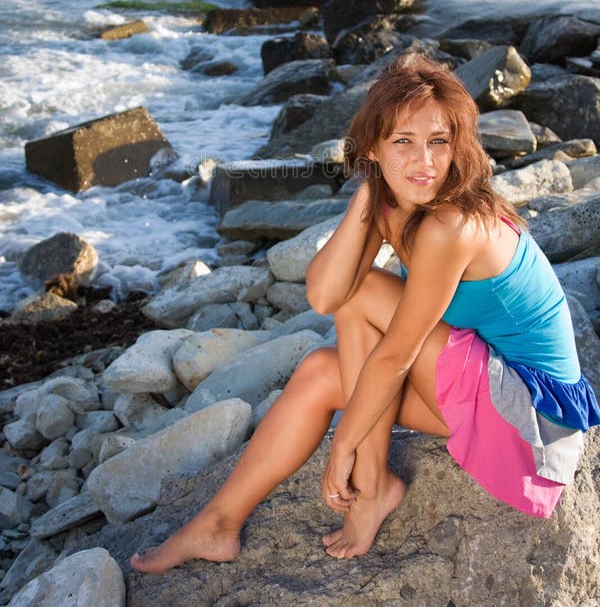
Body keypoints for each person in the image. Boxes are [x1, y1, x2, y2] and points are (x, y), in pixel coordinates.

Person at [131, 54, 600, 572]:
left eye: (438, 142)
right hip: (481, 387)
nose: (424, 160)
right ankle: (218, 522)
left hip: (530, 419)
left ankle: (372, 486)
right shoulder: (398, 202)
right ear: (374, 148)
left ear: (456, 146)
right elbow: (323, 295)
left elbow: (394, 350)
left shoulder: (453, 224)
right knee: (317, 372)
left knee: (363, 296)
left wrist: (345, 446)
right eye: (404, 141)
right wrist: (363, 203)